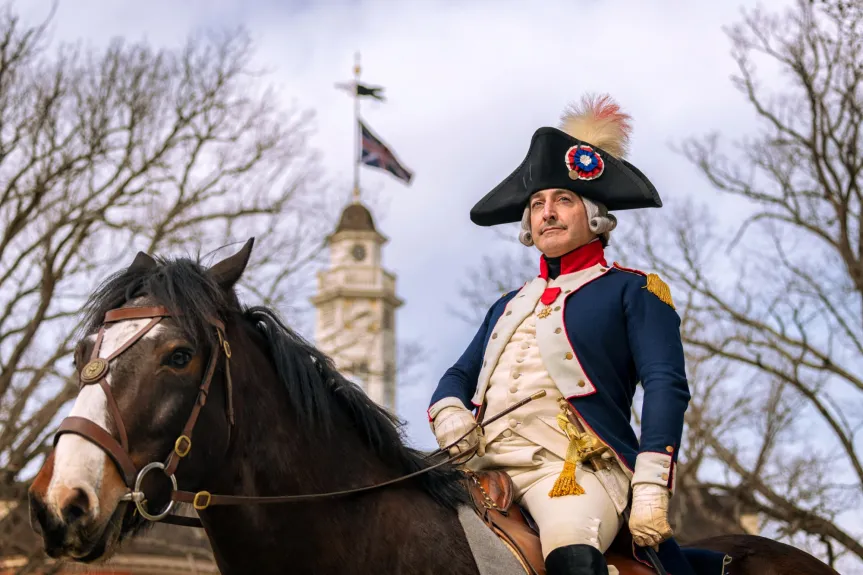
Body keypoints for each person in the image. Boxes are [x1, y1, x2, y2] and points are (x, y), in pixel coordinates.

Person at [428, 95, 698, 575]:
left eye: (563, 200)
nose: (547, 212)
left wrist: (653, 480)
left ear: (594, 215)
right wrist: (450, 411)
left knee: (570, 541)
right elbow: (459, 373)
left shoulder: (633, 290)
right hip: (482, 466)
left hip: (573, 472)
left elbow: (665, 384)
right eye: (537, 204)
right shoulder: (508, 303)